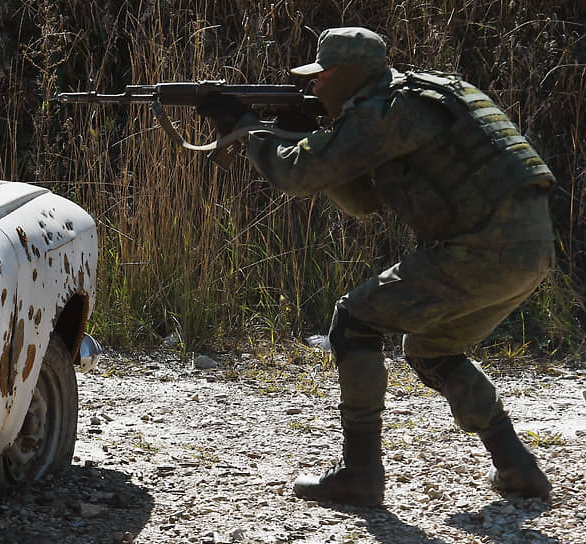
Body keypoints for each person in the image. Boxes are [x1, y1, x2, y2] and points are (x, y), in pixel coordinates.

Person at [203, 27, 555, 506]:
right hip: (529, 250)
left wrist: (251, 130)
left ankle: (360, 474)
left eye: (322, 77)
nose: (315, 87)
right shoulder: (421, 94)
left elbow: (296, 176)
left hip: (482, 248)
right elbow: (364, 201)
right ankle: (517, 467)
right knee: (432, 348)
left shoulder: (386, 110)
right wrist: (307, 136)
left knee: (355, 319)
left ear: (348, 76)